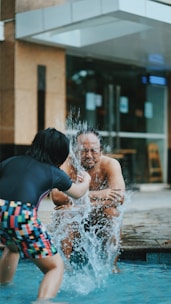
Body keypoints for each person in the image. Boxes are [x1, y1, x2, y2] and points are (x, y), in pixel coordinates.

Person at [0, 127, 91, 301]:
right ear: (60, 154)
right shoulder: (53, 172)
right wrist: (86, 181)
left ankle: (3, 289)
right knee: (55, 267)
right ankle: (42, 301)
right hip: (21, 213)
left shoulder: (11, 161)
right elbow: (78, 193)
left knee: (12, 247)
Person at [51, 128, 125, 269]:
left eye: (94, 150)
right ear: (74, 150)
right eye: (83, 150)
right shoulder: (66, 164)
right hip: (74, 219)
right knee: (66, 212)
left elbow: (119, 198)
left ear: (101, 150)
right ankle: (63, 267)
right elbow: (56, 196)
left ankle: (112, 266)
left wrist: (80, 201)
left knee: (113, 213)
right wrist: (99, 195)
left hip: (99, 218)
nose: (88, 155)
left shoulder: (110, 164)